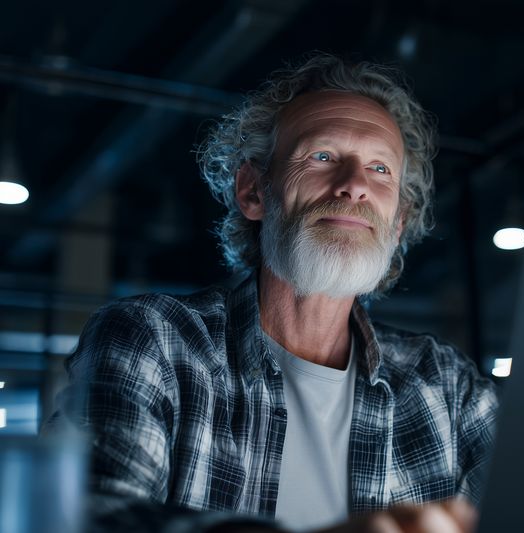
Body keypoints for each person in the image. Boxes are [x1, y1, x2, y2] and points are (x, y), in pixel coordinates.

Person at [47, 52, 498, 533]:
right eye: (323, 156)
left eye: (380, 170)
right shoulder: (153, 340)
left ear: (399, 220)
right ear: (253, 192)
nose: (354, 186)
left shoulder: (448, 386)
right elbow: (82, 515)